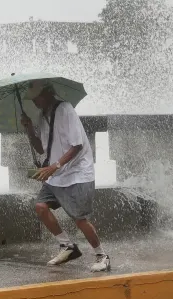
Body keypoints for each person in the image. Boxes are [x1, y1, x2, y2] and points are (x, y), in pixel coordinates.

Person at [21, 79, 111, 272]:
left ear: (46, 93)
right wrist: (29, 128)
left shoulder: (65, 109)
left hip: (78, 173)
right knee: (40, 207)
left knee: (79, 218)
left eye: (36, 98)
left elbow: (77, 145)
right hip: (57, 174)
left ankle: (102, 255)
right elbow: (40, 147)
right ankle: (67, 246)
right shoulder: (40, 116)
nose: (34, 102)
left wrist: (55, 166)